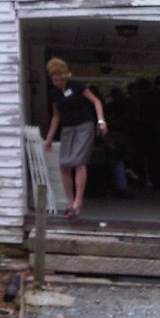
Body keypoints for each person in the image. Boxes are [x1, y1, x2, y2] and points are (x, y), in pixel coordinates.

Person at [43, 57, 107, 218]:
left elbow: (96, 101)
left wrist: (101, 121)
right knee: (64, 164)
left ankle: (78, 201)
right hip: (67, 128)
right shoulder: (54, 93)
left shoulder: (76, 86)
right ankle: (70, 203)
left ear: (65, 76)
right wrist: (49, 139)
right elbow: (56, 116)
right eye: (54, 80)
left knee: (79, 162)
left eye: (60, 79)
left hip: (84, 126)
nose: (57, 82)